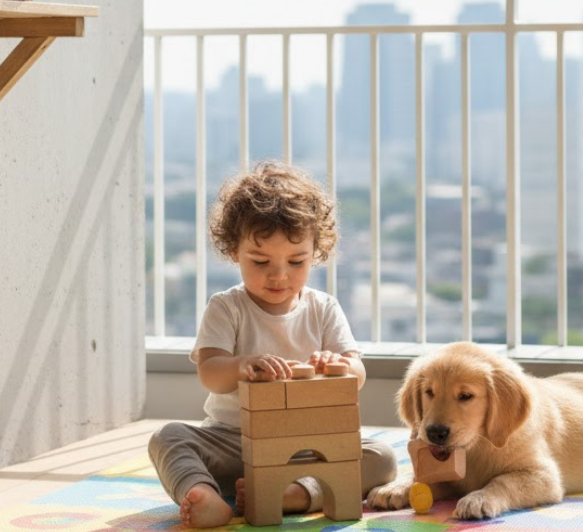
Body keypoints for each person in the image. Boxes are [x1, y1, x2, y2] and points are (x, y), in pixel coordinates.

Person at [148, 161, 398, 528]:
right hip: (232, 442)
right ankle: (201, 494)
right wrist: (242, 364)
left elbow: (357, 374)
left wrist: (341, 364)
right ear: (234, 251)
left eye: (297, 261)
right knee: (167, 437)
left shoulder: (323, 308)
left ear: (317, 252)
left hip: (306, 446)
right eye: (261, 261)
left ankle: (295, 493)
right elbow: (210, 374)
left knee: (383, 456)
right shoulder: (226, 307)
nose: (279, 275)